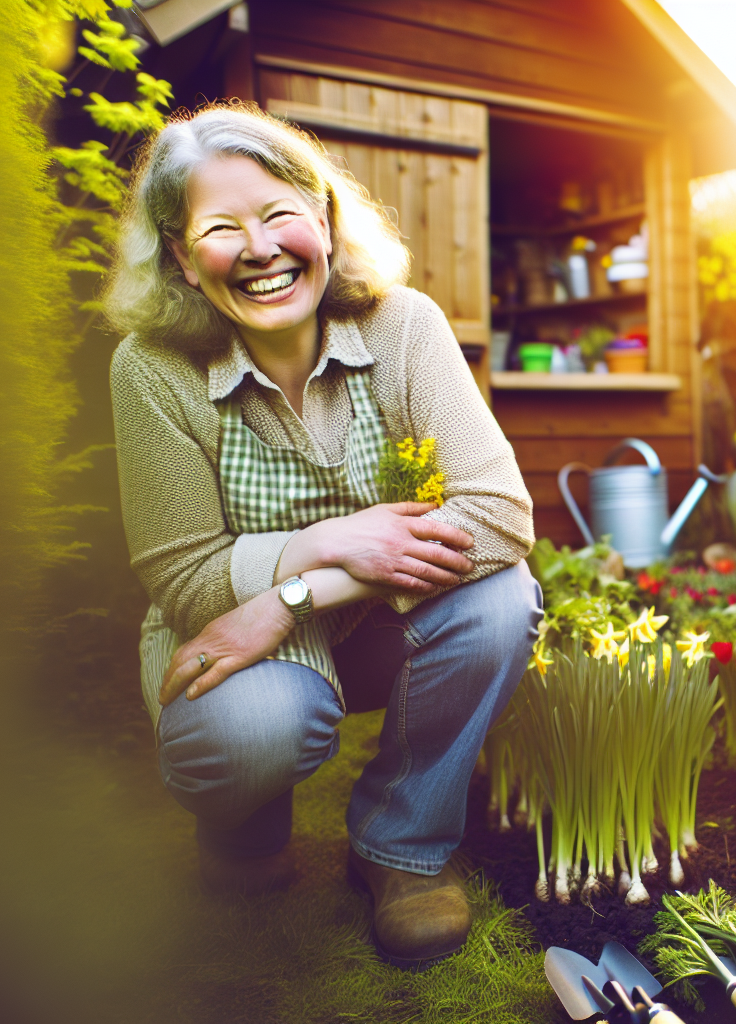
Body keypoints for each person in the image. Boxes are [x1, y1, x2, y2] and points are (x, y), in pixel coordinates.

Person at [104, 103, 539, 969]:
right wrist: (331, 541)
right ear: (183, 259)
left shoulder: (403, 327)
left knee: (500, 600)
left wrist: (299, 593)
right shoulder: (151, 370)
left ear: (326, 221)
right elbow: (186, 579)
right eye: (221, 230)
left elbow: (498, 514)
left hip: (365, 623)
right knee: (255, 732)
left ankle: (402, 847)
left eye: (279, 215)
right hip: (226, 638)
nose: (260, 249)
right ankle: (244, 827)